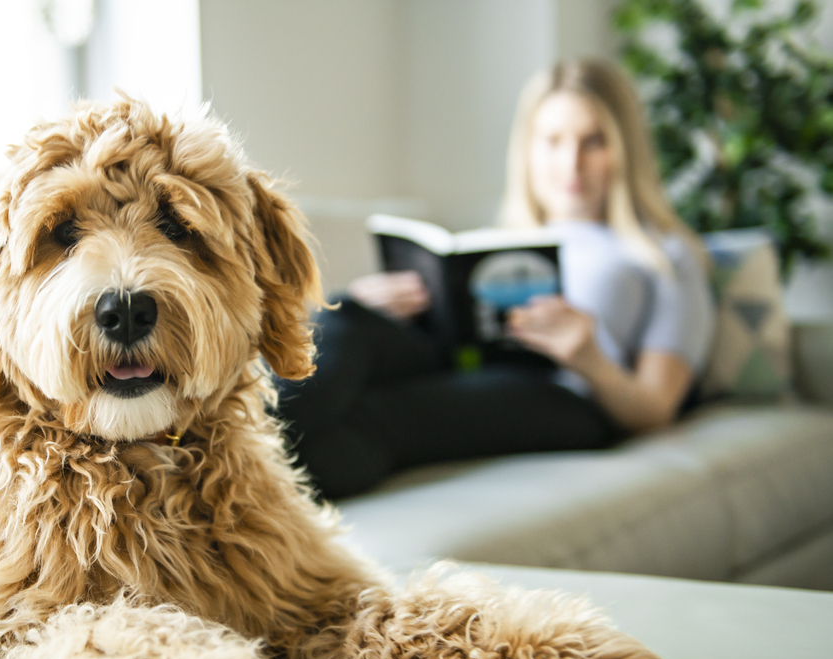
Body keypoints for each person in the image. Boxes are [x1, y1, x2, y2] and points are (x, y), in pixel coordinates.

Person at [277, 59, 715, 500]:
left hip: (564, 394)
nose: (571, 163)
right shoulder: (505, 237)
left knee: (379, 418)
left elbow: (656, 407)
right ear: (528, 149)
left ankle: (227, 467)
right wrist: (381, 307)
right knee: (349, 319)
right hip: (461, 360)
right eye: (553, 142)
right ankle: (223, 440)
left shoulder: (666, 254)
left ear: (626, 150)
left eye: (594, 141)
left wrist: (590, 359)